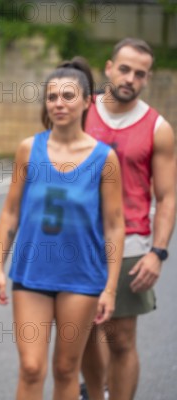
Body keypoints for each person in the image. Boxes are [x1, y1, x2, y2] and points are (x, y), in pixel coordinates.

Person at [0, 57, 125, 400]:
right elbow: (10, 212)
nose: (59, 104)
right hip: (31, 274)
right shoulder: (28, 149)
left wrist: (109, 288)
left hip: (81, 278)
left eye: (68, 96)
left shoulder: (104, 158)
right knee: (32, 368)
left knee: (66, 369)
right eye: (52, 97)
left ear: (86, 102)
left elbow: (113, 225)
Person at [80, 38, 176, 400]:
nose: (130, 78)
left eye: (140, 73)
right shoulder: (79, 111)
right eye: (124, 69)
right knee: (84, 332)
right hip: (76, 243)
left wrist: (158, 252)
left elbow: (167, 197)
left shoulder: (158, 127)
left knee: (120, 339)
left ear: (147, 78)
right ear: (108, 67)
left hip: (131, 242)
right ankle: (93, 390)